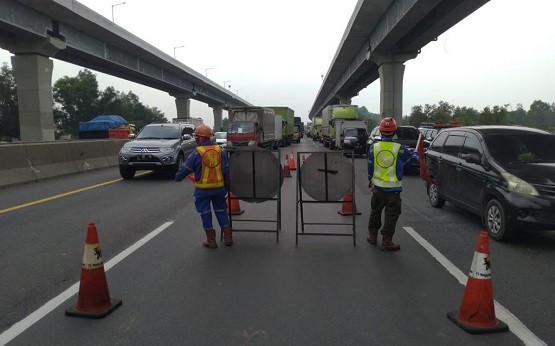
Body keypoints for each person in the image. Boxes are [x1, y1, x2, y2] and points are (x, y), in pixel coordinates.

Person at [174, 125, 233, 248]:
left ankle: (211, 240)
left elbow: (186, 168)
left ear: (201, 138)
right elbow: (226, 170)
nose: (195, 140)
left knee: (205, 213)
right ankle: (228, 237)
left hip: (203, 190)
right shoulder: (220, 151)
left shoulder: (197, 153)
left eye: (196, 137)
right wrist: (227, 184)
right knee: (221, 211)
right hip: (219, 189)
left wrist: (178, 177)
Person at [367, 117, 419, 251]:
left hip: (377, 189)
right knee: (391, 216)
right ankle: (386, 241)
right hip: (393, 191)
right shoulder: (400, 149)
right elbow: (412, 159)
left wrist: (370, 181)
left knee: (375, 212)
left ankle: (372, 236)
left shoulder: (373, 148)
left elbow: (370, 168)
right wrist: (417, 154)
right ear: (394, 132)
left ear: (380, 132)